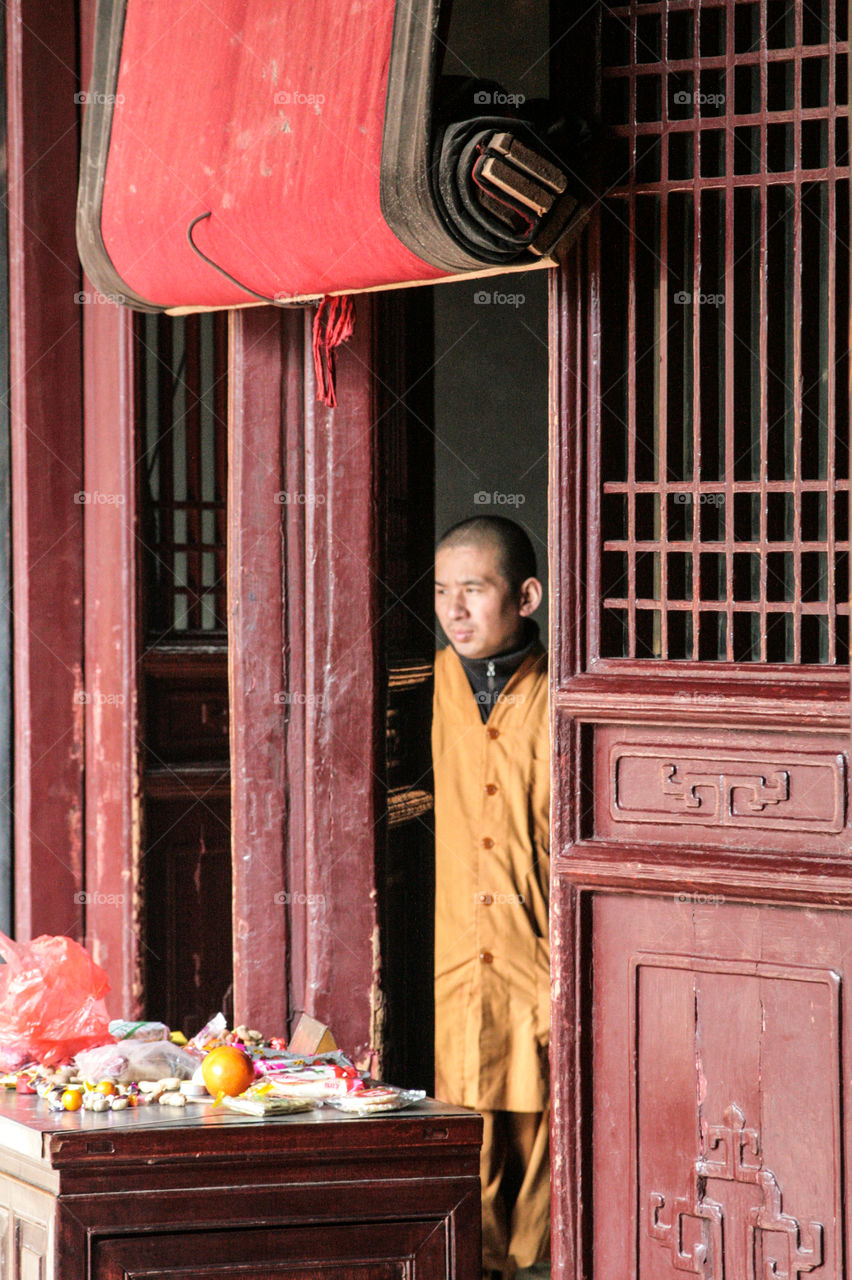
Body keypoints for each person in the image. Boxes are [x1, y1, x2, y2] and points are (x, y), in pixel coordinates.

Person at [432, 515, 550, 1280]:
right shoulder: (424, 680)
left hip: (533, 964)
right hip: (448, 957)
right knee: (455, 1135)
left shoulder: (564, 695)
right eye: (443, 592)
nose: (455, 611)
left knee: (544, 1141)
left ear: (527, 597)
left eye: (474, 589)